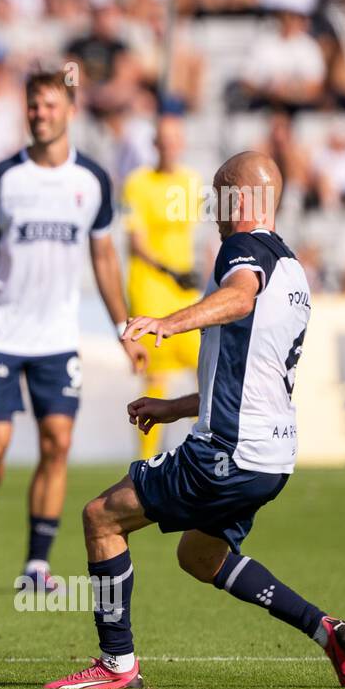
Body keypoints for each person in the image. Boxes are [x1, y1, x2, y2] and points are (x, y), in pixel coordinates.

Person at [44, 152, 345, 689]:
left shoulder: (240, 251)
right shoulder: (291, 268)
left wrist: (168, 324)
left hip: (227, 452)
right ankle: (324, 629)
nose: (211, 208)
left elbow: (238, 299)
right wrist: (171, 408)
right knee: (200, 555)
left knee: (101, 518)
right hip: (272, 459)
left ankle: (116, 665)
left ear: (239, 200)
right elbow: (247, 377)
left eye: (218, 195)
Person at [0, 69, 146, 593]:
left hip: (56, 338)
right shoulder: (5, 177)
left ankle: (36, 565)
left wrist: (123, 326)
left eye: (50, 105)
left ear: (70, 111)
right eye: (33, 106)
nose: (40, 114)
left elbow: (104, 256)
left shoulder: (92, 181)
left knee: (57, 443)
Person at [121, 104, 203, 456]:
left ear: (181, 143)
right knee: (155, 378)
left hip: (184, 294)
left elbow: (200, 236)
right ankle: (147, 460)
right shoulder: (137, 183)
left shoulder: (192, 182)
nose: (168, 146)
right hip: (151, 291)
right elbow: (135, 242)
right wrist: (171, 270)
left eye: (174, 140)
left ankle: (207, 446)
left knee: (207, 368)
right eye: (163, 140)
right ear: (154, 143)